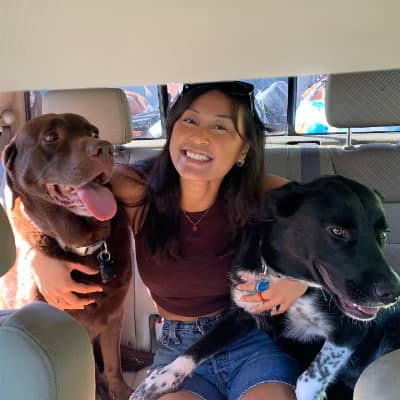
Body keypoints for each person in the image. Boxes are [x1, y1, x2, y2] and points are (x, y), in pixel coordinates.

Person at [27, 81, 308, 399]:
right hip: (178, 349)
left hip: (248, 339)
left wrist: (300, 280)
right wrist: (37, 254)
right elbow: (37, 194)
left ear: (244, 149)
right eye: (190, 120)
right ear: (172, 130)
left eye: (220, 127)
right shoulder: (135, 189)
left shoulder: (264, 193)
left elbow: (340, 225)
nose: (200, 136)